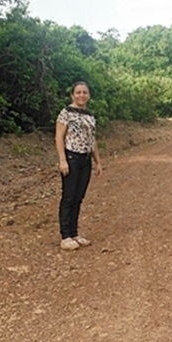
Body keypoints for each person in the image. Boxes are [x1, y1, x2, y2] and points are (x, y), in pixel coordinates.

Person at [55, 81, 103, 250]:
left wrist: (98, 162)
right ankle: (65, 235)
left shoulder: (90, 116)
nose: (81, 95)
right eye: (78, 92)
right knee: (68, 196)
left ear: (88, 95)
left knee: (78, 197)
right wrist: (62, 160)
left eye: (84, 92)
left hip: (85, 159)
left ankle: (74, 233)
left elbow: (92, 140)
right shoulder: (66, 113)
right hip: (71, 157)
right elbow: (59, 137)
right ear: (72, 95)